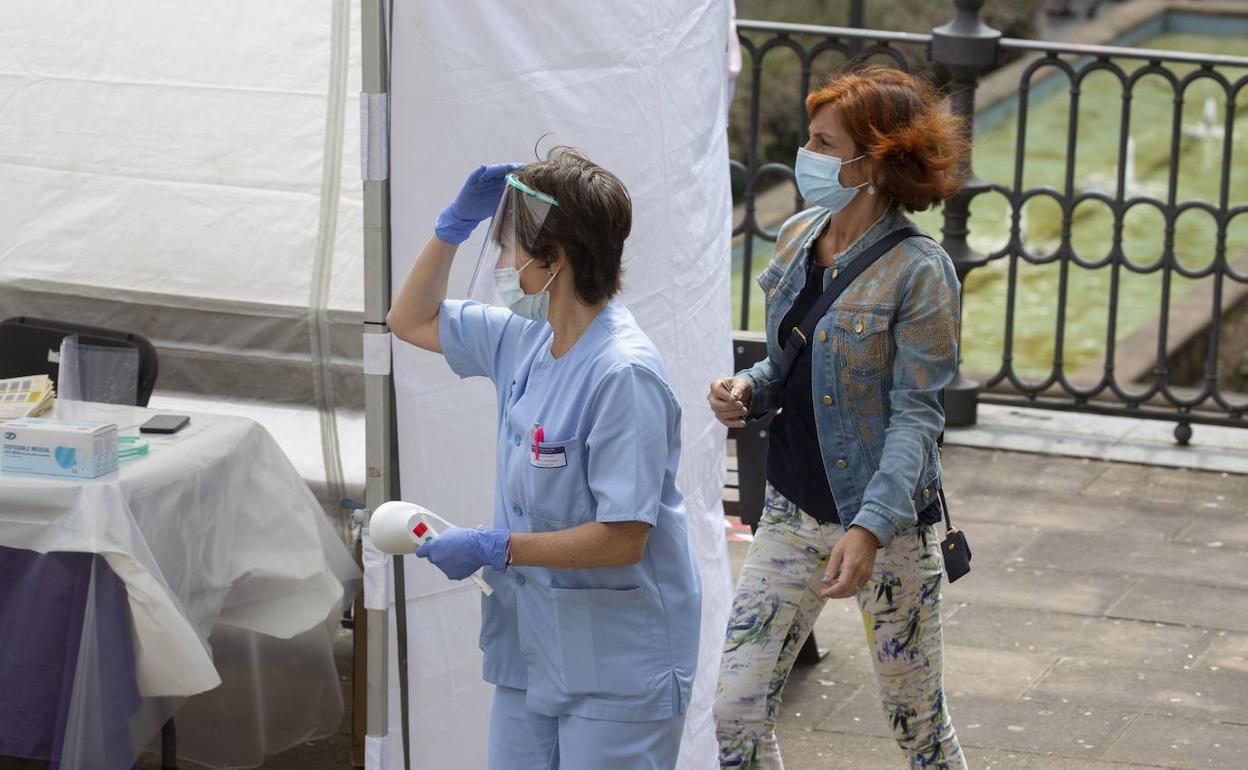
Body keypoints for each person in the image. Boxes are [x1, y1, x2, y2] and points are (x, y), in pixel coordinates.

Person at [386, 148, 701, 770]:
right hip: (534, 644)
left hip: (619, 661)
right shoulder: (524, 338)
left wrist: (494, 547)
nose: (502, 266)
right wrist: (453, 227)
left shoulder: (623, 374)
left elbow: (622, 538)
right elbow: (408, 318)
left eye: (508, 250)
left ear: (554, 261)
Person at [709, 67, 970, 769]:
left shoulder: (921, 270)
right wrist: (747, 387)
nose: (808, 154)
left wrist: (868, 527)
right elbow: (787, 361)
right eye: (811, 139)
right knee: (734, 712)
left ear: (875, 161)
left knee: (918, 727)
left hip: (887, 528)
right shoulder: (796, 235)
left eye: (825, 143)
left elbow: (917, 418)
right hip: (792, 512)